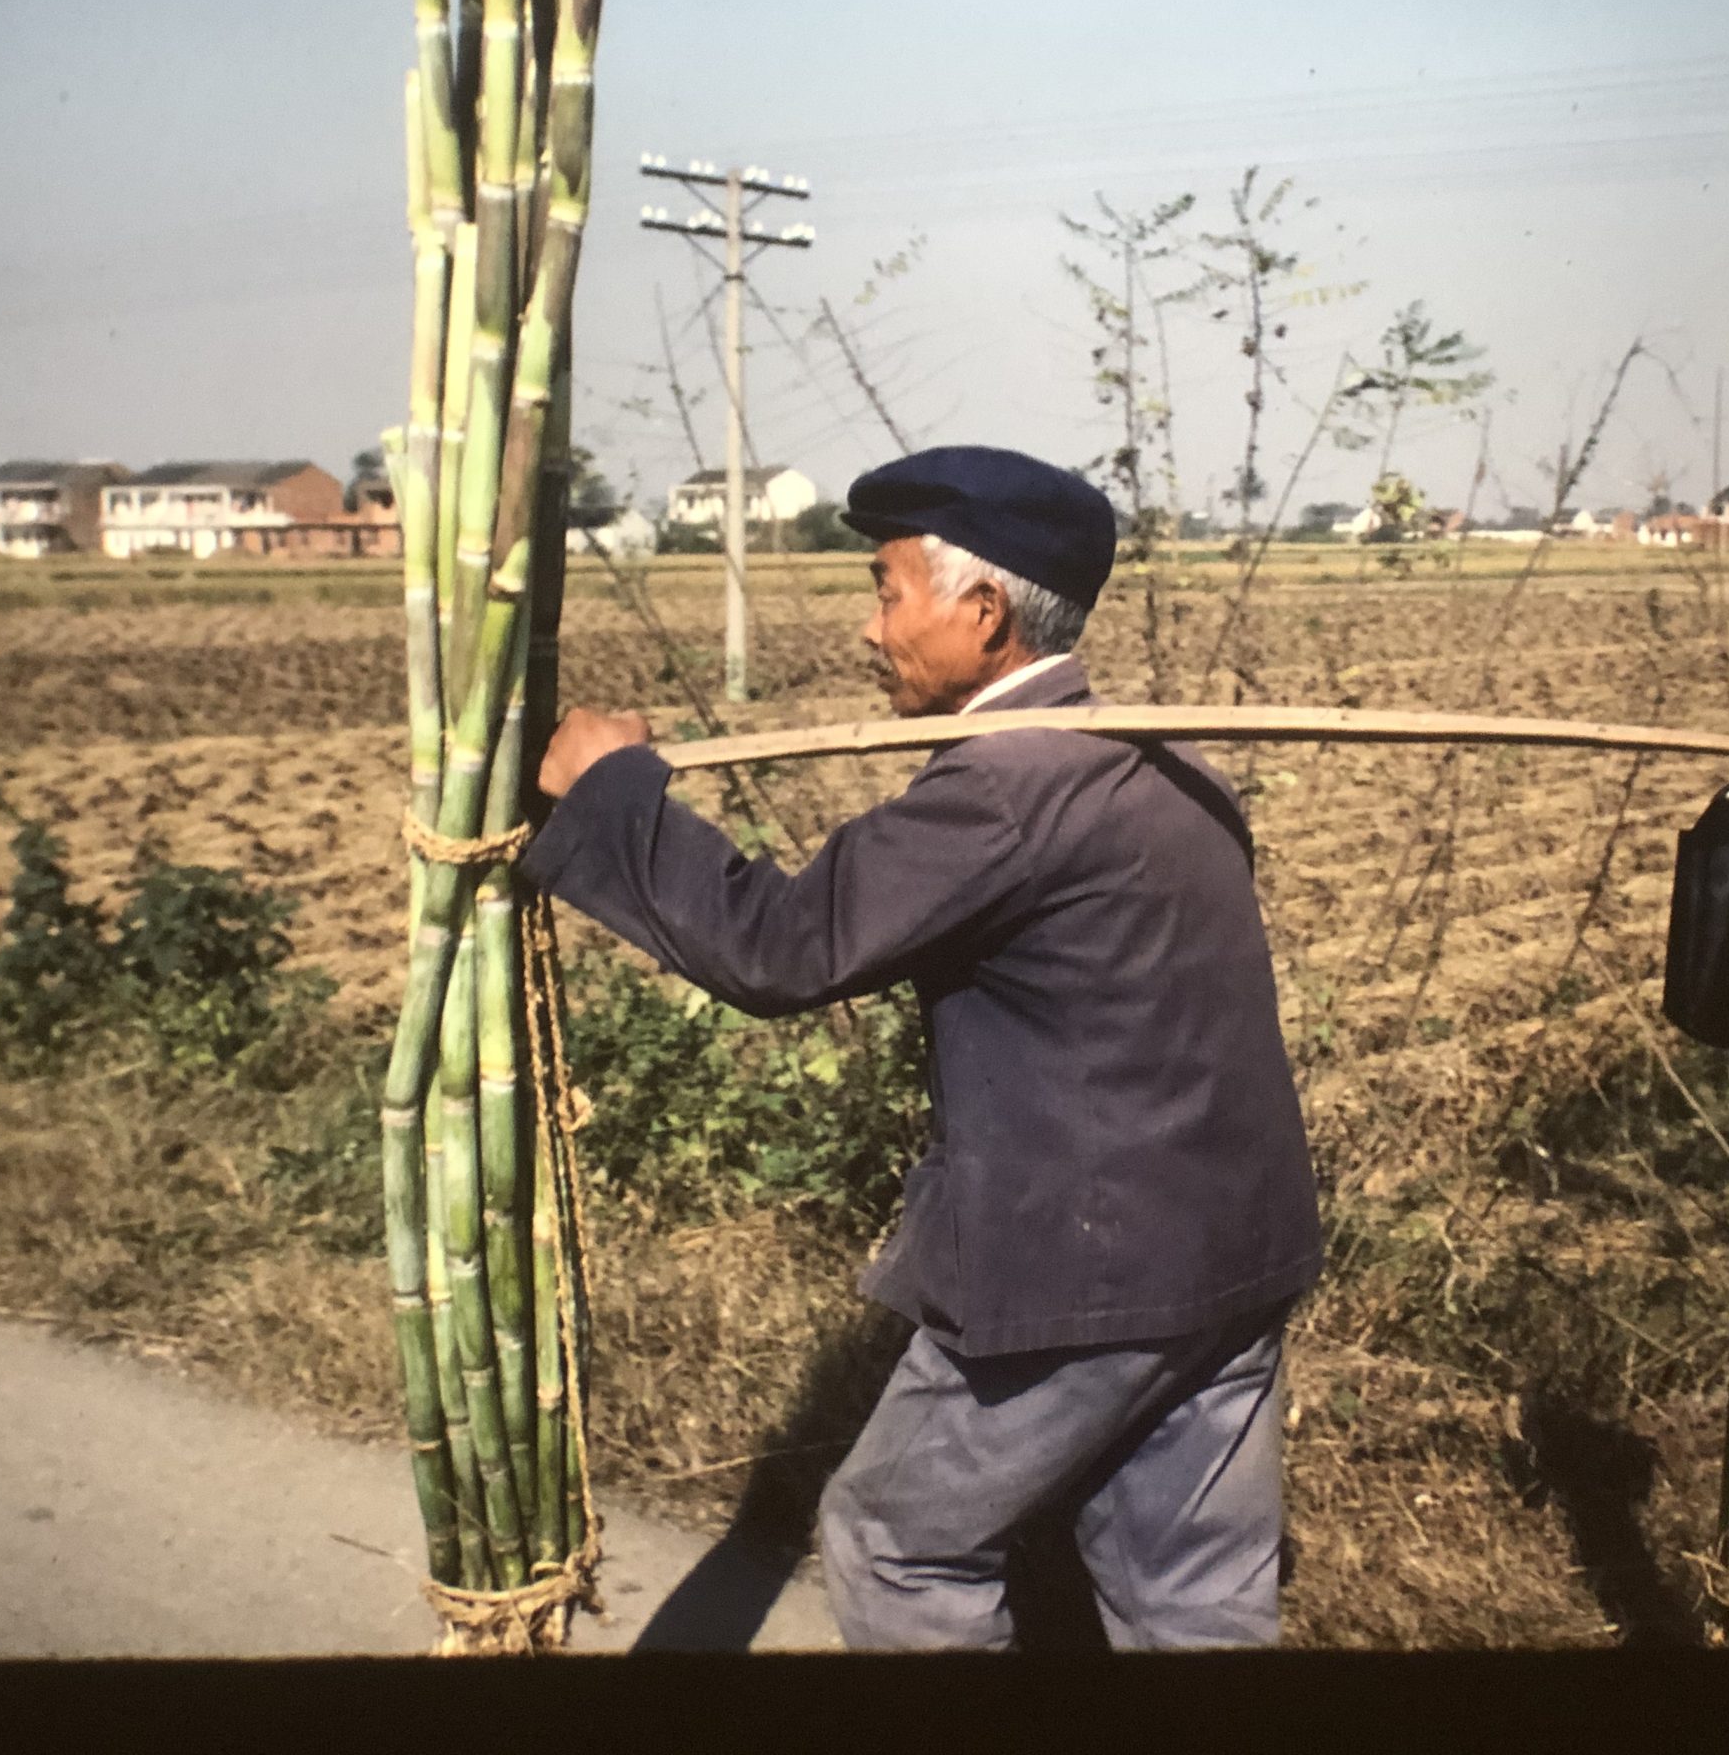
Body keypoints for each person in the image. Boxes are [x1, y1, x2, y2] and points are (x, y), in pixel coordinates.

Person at [519, 444, 1322, 1650]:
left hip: (1086, 1276)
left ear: (983, 612)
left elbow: (779, 948)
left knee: (896, 1546)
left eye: (888, 592)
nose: (869, 628)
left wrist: (610, 793)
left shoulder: (1005, 789)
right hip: (1234, 1251)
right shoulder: (1170, 765)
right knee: (1190, 1596)